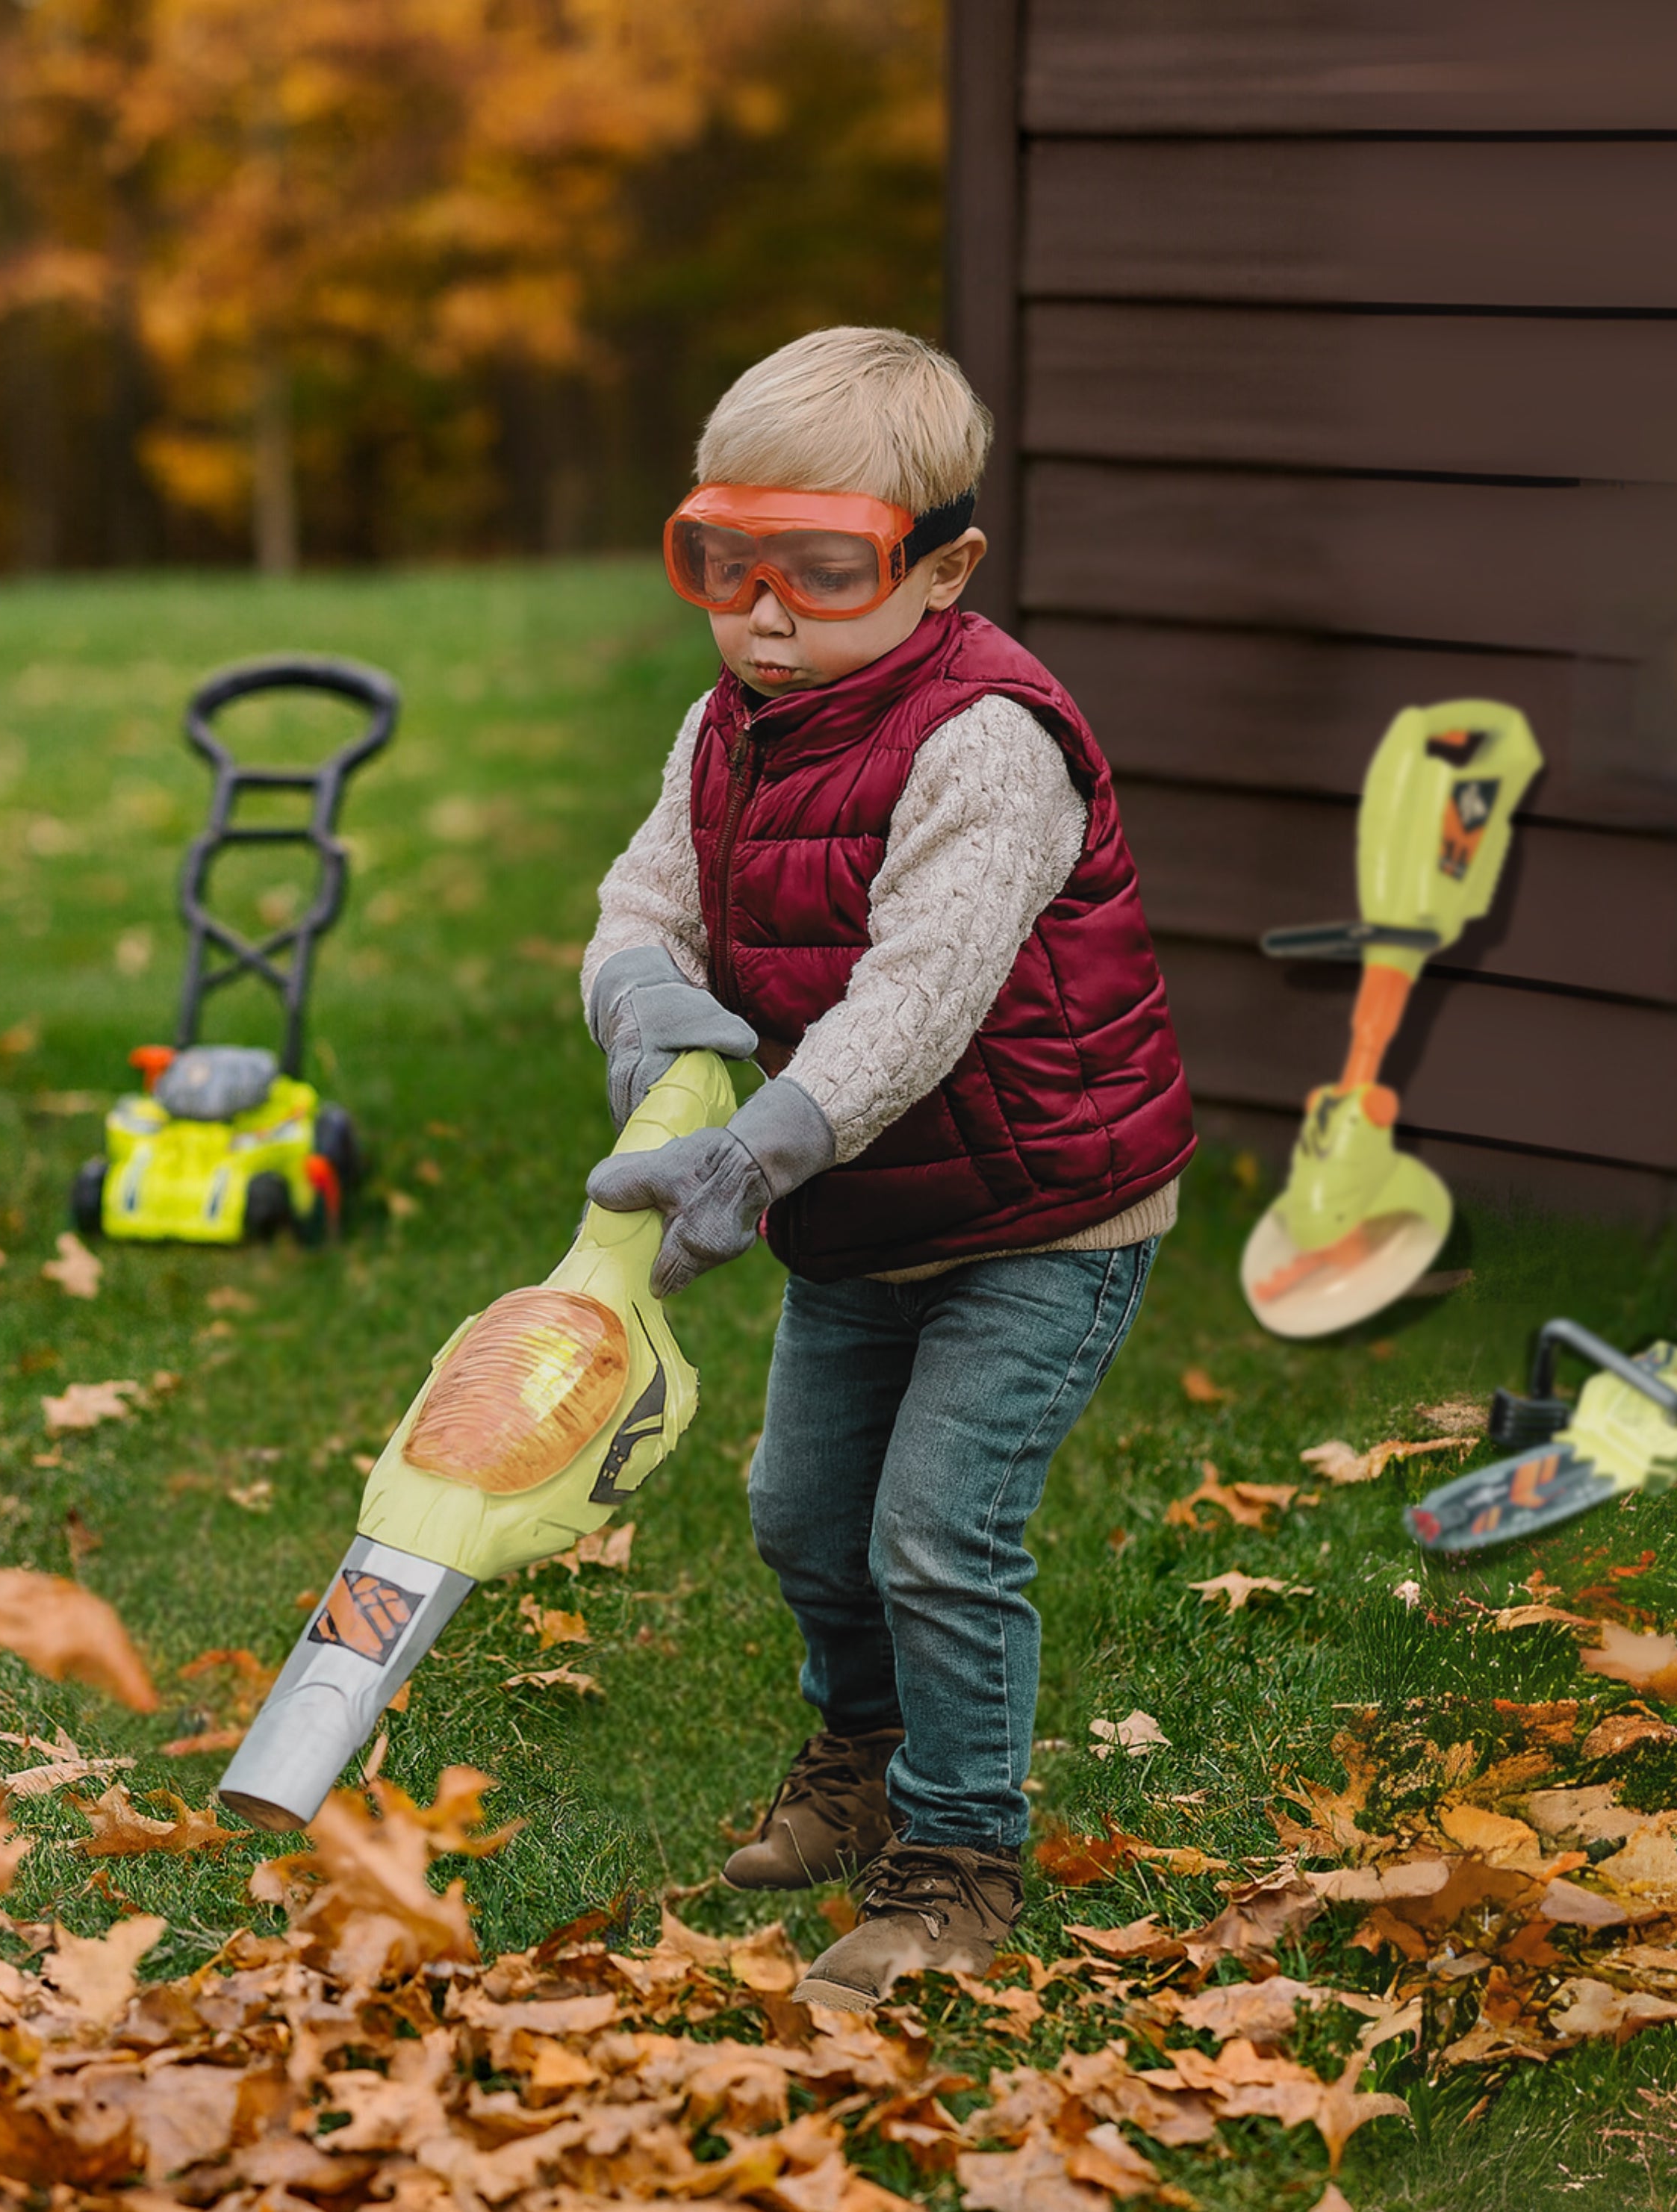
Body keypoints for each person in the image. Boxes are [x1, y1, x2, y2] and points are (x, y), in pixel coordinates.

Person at [579, 325, 1196, 2010]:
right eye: (725, 560)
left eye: (825, 567)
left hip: (1045, 1212)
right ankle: (860, 1752)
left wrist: (762, 1147)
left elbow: (916, 999)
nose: (766, 609)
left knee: (937, 1528)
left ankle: (960, 1855)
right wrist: (637, 998)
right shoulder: (733, 724)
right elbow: (653, 898)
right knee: (801, 1516)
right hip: (871, 1205)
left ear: (941, 566)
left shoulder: (987, 743)